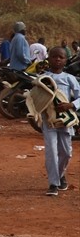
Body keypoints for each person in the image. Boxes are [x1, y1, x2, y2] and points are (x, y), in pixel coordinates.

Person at [33, 47, 80, 196]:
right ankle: (53, 184)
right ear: (49, 59)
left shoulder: (69, 78)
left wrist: (71, 105)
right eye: (54, 57)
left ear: (66, 60)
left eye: (61, 57)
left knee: (66, 153)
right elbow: (34, 98)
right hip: (49, 121)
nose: (57, 59)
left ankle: (60, 175)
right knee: (52, 152)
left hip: (66, 121)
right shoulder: (43, 78)